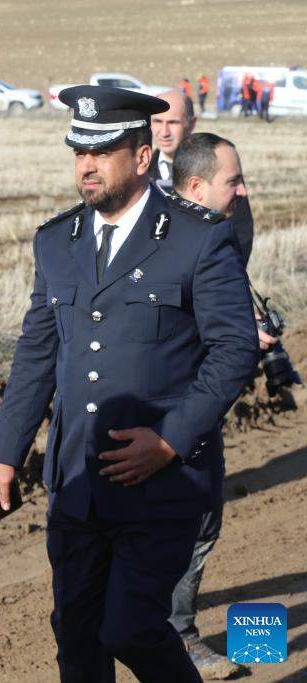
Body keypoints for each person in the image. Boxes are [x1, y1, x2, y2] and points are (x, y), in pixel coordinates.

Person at [0, 86, 260, 682]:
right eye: (79, 152)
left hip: (163, 481)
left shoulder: (198, 236)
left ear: (142, 157)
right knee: (77, 638)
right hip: (77, 480)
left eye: (102, 153)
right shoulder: (56, 242)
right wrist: (4, 455)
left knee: (130, 626)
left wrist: (170, 439)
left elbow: (234, 348)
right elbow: (36, 354)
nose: (86, 165)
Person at [168, 132, 278, 680]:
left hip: (181, 405)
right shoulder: (192, 236)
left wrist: (241, 326)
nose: (243, 191)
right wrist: (236, 339)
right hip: (183, 408)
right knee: (196, 523)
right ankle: (178, 637)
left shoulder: (164, 226)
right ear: (195, 185)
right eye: (234, 182)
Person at [149, 89, 255, 266]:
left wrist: (224, 273)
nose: (164, 132)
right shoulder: (138, 174)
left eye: (173, 122)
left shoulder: (222, 168)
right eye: (157, 121)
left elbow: (241, 231)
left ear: (191, 124)